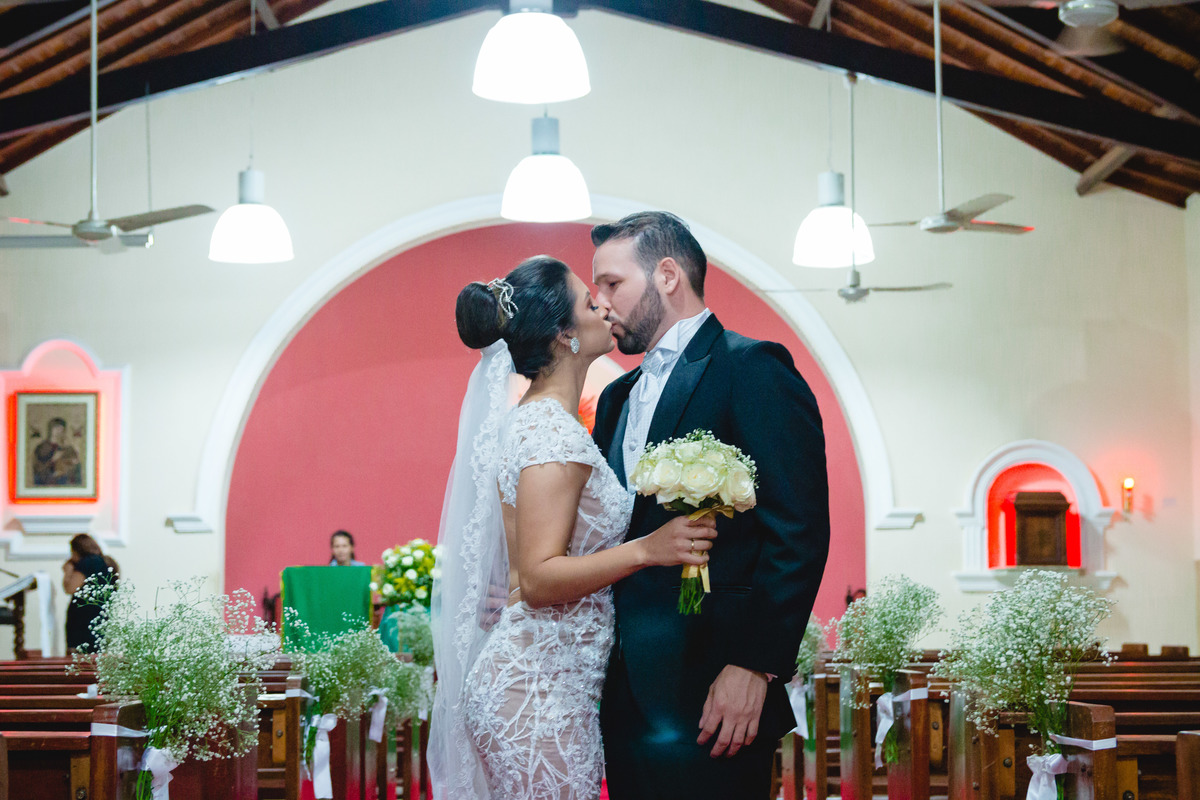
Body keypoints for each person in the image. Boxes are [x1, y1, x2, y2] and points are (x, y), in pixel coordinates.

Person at [428, 255, 718, 800]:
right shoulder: (549, 434)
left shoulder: (544, 422)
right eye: (590, 300)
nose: (604, 306)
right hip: (536, 691)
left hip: (552, 682)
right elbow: (539, 579)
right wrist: (648, 549)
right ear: (565, 334)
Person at [590, 211, 831, 800]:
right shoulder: (617, 396)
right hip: (620, 690)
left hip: (715, 686)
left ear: (668, 275)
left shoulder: (751, 368)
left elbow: (798, 530)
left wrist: (755, 665)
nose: (600, 302)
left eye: (612, 283)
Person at [62, 533, 118, 652]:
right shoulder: (105, 562)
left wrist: (68, 572)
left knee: (82, 657)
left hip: (83, 622)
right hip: (98, 619)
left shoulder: (88, 562)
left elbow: (70, 588)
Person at [33, 417, 82, 486]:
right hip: (48, 481)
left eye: (61, 429)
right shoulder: (42, 447)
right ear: (50, 429)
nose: (59, 431)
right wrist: (53, 459)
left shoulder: (67, 447)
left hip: (65, 480)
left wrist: (74, 462)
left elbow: (75, 462)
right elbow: (38, 468)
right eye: (56, 428)